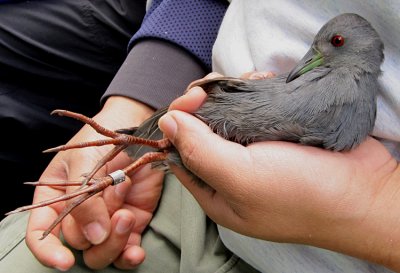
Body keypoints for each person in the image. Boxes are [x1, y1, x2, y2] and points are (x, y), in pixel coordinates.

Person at [1, 0, 400, 273]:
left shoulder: (348, 102)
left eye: (334, 44)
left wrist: (374, 211)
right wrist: (141, 98)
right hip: (185, 195)